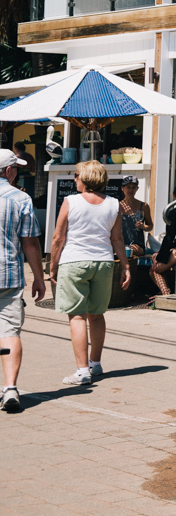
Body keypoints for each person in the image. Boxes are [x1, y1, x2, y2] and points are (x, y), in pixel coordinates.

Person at [50, 160, 128, 386]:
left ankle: (82, 370)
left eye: (76, 175)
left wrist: (53, 265)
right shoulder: (114, 203)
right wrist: (125, 266)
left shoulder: (71, 201)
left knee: (76, 315)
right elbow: (117, 239)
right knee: (97, 314)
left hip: (74, 261)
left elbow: (58, 237)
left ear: (85, 178)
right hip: (103, 263)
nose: (74, 178)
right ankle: (95, 363)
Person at [0, 149, 45, 413]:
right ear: (9, 172)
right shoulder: (21, 198)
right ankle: (10, 388)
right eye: (15, 169)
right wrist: (39, 278)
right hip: (9, 275)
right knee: (9, 331)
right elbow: (30, 244)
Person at [117, 176, 154, 299]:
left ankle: (130, 287)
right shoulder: (117, 206)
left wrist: (143, 227)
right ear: (123, 188)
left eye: (133, 187)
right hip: (121, 242)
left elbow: (150, 225)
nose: (131, 190)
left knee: (131, 251)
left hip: (137, 244)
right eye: (128, 187)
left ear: (137, 189)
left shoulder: (143, 206)